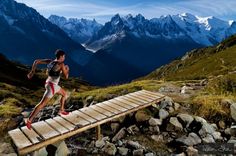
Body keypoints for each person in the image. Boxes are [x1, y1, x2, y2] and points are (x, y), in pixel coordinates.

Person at [25, 49, 70, 130]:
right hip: (52, 86)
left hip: (49, 83)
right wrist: (67, 69)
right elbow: (66, 77)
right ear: (61, 56)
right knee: (42, 104)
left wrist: (32, 72)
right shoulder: (61, 64)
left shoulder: (50, 61)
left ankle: (61, 110)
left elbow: (36, 61)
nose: (64, 58)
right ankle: (29, 120)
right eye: (64, 56)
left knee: (64, 94)